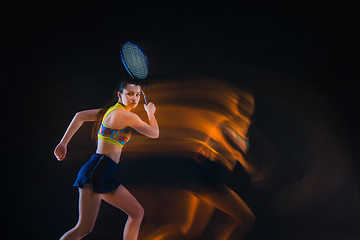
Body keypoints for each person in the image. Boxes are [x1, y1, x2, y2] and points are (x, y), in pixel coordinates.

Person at [54, 77, 159, 240]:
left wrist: (63, 144)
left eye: (137, 95)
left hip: (103, 173)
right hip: (96, 172)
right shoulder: (125, 115)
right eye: (130, 94)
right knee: (83, 228)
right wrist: (150, 113)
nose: (135, 98)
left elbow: (80, 116)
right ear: (120, 95)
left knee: (137, 213)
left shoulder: (110, 111)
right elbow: (154, 133)